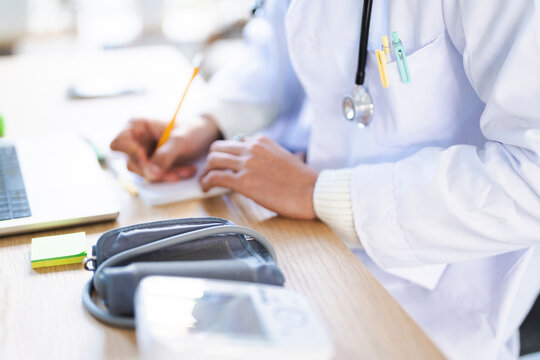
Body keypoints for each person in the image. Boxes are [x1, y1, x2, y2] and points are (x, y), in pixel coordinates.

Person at [111, 0, 540, 358]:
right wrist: (212, 121)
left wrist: (319, 193)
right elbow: (283, 48)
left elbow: (532, 177)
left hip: (437, 308)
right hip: (306, 253)